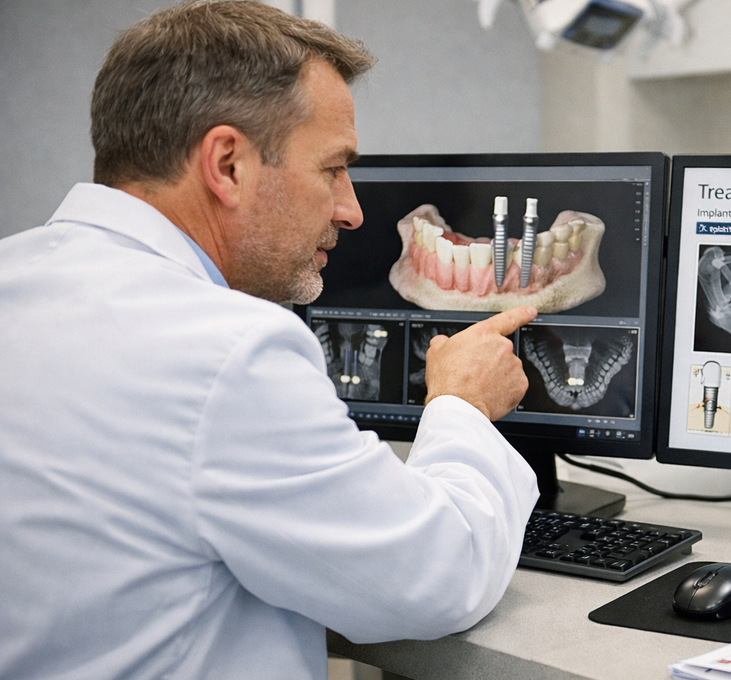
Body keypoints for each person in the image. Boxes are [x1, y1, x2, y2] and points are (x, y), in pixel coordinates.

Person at [0, 3, 539, 679]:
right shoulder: (226, 353)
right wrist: (460, 406)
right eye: (332, 169)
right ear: (227, 164)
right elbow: (439, 579)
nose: (351, 210)